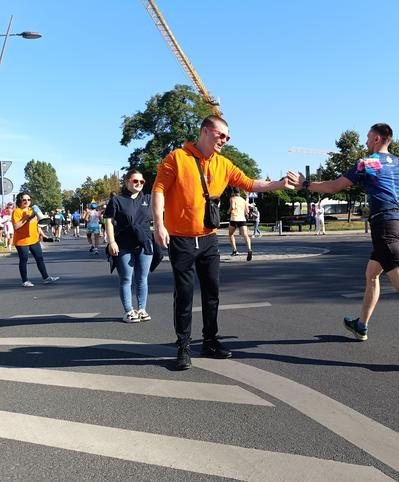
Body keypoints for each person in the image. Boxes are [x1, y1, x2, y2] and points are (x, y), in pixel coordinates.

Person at [296, 123, 399, 363]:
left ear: (379, 139)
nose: (365, 142)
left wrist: (305, 184)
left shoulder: (368, 162)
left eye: (368, 137)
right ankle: (361, 326)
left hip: (383, 226)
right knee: (372, 274)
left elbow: (335, 186)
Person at [152, 114, 296, 371]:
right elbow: (159, 190)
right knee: (184, 296)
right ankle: (183, 347)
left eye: (228, 137)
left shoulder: (224, 165)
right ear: (206, 131)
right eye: (221, 135)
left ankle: (210, 341)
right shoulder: (176, 158)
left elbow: (251, 183)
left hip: (208, 239)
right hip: (182, 240)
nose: (225, 140)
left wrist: (278, 184)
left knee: (212, 294)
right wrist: (159, 224)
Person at [105, 170, 154, 324]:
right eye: (135, 181)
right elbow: (108, 221)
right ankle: (128, 311)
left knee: (142, 278)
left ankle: (142, 309)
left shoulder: (148, 199)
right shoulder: (117, 200)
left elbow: (159, 216)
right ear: (127, 182)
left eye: (142, 182)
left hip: (144, 242)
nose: (139, 184)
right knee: (126, 278)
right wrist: (111, 241)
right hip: (124, 244)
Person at [11, 192, 60, 287]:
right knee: (24, 260)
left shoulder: (32, 210)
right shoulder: (16, 211)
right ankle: (25, 281)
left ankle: (46, 277)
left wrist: (43, 234)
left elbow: (38, 225)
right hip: (22, 241)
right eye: (24, 200)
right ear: (20, 200)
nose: (27, 201)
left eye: (29, 199)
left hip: (34, 239)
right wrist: (27, 218)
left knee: (39, 258)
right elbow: (16, 226)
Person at [228, 188, 252, 260]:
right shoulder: (243, 200)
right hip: (242, 219)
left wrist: (228, 211)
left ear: (233, 192)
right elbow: (247, 211)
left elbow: (232, 207)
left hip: (234, 219)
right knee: (245, 235)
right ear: (239, 193)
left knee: (231, 234)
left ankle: (235, 250)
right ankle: (249, 249)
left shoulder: (232, 198)